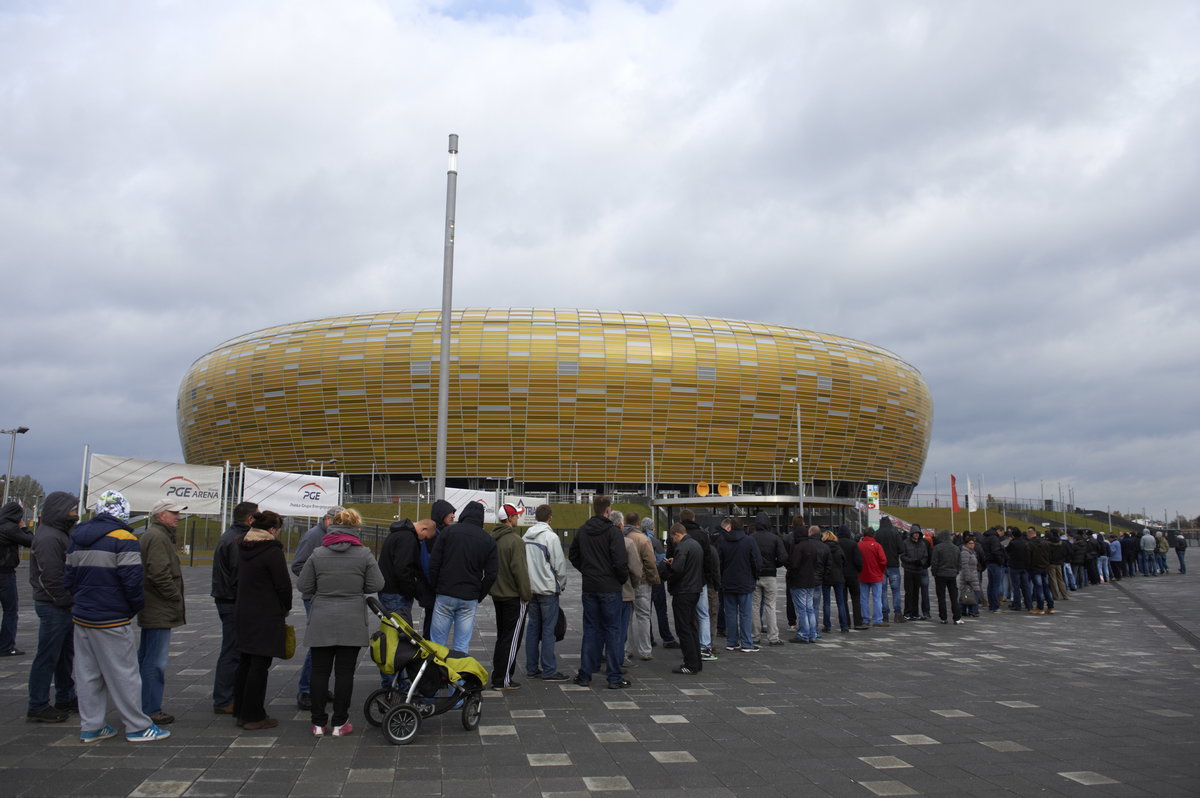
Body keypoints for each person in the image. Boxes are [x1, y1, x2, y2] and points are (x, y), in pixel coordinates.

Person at [64, 490, 169, 743]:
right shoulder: (124, 538)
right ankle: (137, 726)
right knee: (125, 673)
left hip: (82, 617)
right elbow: (132, 581)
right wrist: (132, 608)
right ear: (123, 512)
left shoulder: (76, 537)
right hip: (112, 617)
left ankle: (91, 726)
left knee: (88, 674)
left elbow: (68, 579)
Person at [297, 508, 385, 737]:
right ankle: (339, 722)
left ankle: (317, 723)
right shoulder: (364, 554)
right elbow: (377, 584)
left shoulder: (318, 553)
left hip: (322, 618)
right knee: (345, 674)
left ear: (332, 524)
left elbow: (304, 586)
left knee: (319, 672)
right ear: (356, 527)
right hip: (351, 619)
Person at [233, 510, 292, 730]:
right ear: (272, 530)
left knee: (245, 662)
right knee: (260, 664)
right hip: (265, 613)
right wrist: (285, 607)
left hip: (244, 610)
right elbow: (283, 585)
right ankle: (254, 715)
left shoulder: (242, 546)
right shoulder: (271, 551)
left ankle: (241, 709)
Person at [26, 491, 80, 722]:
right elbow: (50, 576)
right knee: (47, 655)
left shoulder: (61, 533)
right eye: (72, 507)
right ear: (60, 509)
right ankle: (37, 705)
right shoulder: (50, 537)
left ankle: (65, 696)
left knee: (64, 655)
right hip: (54, 605)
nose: (76, 512)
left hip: (62, 604)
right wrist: (66, 600)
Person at [568, 495, 630, 689]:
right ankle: (613, 677)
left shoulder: (582, 531)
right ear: (608, 510)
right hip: (610, 588)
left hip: (590, 587)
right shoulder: (613, 533)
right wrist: (619, 579)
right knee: (613, 631)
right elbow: (620, 562)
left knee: (591, 630)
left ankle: (585, 674)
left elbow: (573, 556)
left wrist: (587, 571)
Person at [137, 499, 187, 726]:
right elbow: (158, 573)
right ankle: (150, 709)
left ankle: (141, 705)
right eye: (173, 512)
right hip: (158, 607)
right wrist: (173, 596)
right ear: (160, 515)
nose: (178, 516)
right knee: (154, 661)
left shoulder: (156, 536)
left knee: (147, 657)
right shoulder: (157, 538)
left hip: (154, 606)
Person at [290, 504, 346, 710]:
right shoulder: (314, 536)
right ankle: (306, 689)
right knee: (319, 643)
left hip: (328, 597)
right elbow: (297, 565)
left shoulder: (329, 535)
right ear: (329, 520)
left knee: (327, 644)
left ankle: (316, 688)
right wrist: (320, 580)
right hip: (315, 597)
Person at [428, 501, 497, 653]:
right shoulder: (488, 540)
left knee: (437, 644)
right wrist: (479, 595)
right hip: (469, 597)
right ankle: (458, 676)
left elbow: (434, 563)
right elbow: (491, 574)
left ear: (464, 514)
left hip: (445, 593)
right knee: (461, 646)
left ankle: (435, 675)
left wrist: (436, 586)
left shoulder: (448, 532)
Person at [211, 501, 257, 715]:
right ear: (249, 519)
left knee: (233, 649)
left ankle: (229, 695)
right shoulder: (238, 540)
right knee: (232, 651)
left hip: (226, 598)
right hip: (232, 601)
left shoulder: (229, 535)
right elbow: (240, 574)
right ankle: (223, 699)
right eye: (256, 516)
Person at [523, 504, 569, 682]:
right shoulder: (551, 537)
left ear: (535, 518)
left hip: (531, 588)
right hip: (548, 589)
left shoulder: (525, 536)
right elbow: (559, 566)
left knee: (533, 628)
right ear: (550, 518)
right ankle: (549, 669)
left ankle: (531, 667)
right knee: (548, 630)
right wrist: (561, 584)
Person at [489, 503, 531, 690]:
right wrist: (526, 594)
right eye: (516, 516)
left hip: (498, 595)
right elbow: (520, 571)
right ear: (510, 518)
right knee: (512, 639)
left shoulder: (493, 539)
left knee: (502, 637)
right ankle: (503, 678)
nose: (518, 518)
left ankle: (498, 674)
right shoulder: (515, 541)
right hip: (513, 596)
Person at [377, 517, 437, 637]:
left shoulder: (398, 534)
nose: (424, 540)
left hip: (388, 589)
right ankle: (394, 655)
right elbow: (402, 569)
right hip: (396, 593)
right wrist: (409, 591)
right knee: (400, 633)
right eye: (426, 537)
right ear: (424, 528)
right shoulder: (407, 538)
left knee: (391, 629)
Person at [717, 516, 762, 652]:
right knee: (745, 614)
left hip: (728, 582)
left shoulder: (723, 541)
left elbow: (719, 562)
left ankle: (731, 641)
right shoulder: (749, 541)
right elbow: (757, 561)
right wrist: (754, 576)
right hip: (745, 582)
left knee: (730, 613)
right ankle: (747, 643)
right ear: (743, 526)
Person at [665, 523, 703, 674]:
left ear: (676, 534)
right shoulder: (696, 545)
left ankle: (690, 664)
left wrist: (669, 568)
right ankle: (697, 661)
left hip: (683, 591)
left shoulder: (682, 547)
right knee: (692, 627)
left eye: (673, 538)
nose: (673, 541)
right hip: (695, 589)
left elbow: (677, 570)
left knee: (683, 628)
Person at [625, 511, 660, 663]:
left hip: (626, 583)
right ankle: (645, 650)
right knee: (644, 616)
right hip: (642, 582)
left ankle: (626, 648)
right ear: (638, 523)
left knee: (626, 618)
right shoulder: (643, 539)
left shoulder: (621, 537)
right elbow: (650, 563)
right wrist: (654, 579)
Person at [0, 499, 33, 656]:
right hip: (5, 574)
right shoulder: (10, 528)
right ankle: (6, 646)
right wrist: (24, 527)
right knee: (10, 611)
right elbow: (32, 541)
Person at [749, 512, 787, 646]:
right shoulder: (775, 538)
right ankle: (773, 637)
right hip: (770, 575)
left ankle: (755, 636)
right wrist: (773, 565)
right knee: (770, 605)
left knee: (754, 606)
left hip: (755, 575)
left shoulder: (751, 538)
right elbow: (783, 558)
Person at [787, 525, 828, 643]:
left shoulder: (798, 547)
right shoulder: (812, 547)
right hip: (811, 581)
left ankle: (803, 634)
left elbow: (794, 565)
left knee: (802, 609)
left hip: (800, 582)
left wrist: (791, 575)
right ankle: (812, 633)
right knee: (810, 608)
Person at [643, 517, 676, 648]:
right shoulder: (656, 542)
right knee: (661, 610)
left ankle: (649, 638)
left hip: (643, 580)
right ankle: (667, 638)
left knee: (646, 612)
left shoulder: (639, 540)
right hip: (657, 580)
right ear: (653, 528)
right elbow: (662, 562)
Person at [835, 525, 866, 630]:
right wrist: (858, 571)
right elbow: (858, 561)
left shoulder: (836, 544)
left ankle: (845, 623)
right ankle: (858, 622)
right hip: (853, 575)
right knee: (856, 599)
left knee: (842, 600)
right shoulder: (853, 544)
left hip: (840, 575)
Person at [874, 517, 904, 624]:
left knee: (883, 591)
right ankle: (898, 614)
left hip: (881, 566)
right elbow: (901, 549)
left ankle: (885, 614)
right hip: (893, 565)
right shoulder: (895, 533)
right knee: (896, 590)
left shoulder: (877, 534)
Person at [929, 530, 962, 624]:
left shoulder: (937, 548)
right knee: (953, 597)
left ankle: (943, 617)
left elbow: (934, 562)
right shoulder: (956, 548)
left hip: (940, 575)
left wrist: (934, 573)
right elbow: (959, 562)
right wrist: (956, 571)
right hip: (952, 575)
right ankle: (957, 617)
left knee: (941, 597)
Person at [820, 530, 849, 633]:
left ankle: (827, 626)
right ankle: (844, 626)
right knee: (841, 602)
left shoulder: (823, 548)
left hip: (826, 577)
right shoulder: (839, 548)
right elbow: (844, 562)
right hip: (838, 577)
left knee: (826, 602)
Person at [857, 527, 887, 627]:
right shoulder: (877, 546)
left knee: (864, 598)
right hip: (876, 576)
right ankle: (878, 619)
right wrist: (880, 571)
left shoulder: (859, 545)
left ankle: (865, 619)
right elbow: (883, 561)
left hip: (862, 576)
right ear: (873, 535)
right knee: (877, 598)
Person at [900, 527, 930, 620]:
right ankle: (907, 612)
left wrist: (921, 562)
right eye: (915, 533)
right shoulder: (906, 543)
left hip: (918, 570)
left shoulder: (922, 543)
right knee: (909, 592)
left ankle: (915, 612)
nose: (916, 535)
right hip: (909, 570)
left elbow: (925, 555)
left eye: (918, 533)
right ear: (912, 533)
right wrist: (913, 561)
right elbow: (903, 556)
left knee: (916, 592)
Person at [980, 525, 1008, 613]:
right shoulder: (994, 538)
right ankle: (995, 606)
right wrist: (1001, 561)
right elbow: (995, 551)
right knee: (996, 585)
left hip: (989, 562)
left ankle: (992, 605)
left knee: (991, 585)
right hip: (995, 563)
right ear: (999, 531)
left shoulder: (986, 537)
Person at [1027, 528, 1055, 615]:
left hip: (1035, 568)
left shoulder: (1030, 544)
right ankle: (1051, 607)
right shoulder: (1045, 543)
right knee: (1046, 587)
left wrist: (1028, 567)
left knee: (1038, 588)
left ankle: (1040, 607)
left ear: (1029, 535)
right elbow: (1050, 554)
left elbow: (1028, 557)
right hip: (1045, 567)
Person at [1006, 528, 1033, 611]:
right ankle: (1029, 605)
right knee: (1026, 586)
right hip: (1024, 567)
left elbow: (1007, 550)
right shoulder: (1026, 542)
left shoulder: (1013, 543)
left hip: (1014, 566)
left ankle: (1017, 604)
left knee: (1016, 587)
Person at [958, 535, 982, 618]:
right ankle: (973, 611)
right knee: (972, 593)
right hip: (969, 576)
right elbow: (964, 565)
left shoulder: (972, 552)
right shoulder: (965, 552)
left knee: (967, 593)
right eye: (970, 543)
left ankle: (964, 610)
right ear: (966, 544)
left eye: (973, 543)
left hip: (973, 575)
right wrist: (968, 577)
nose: (972, 545)